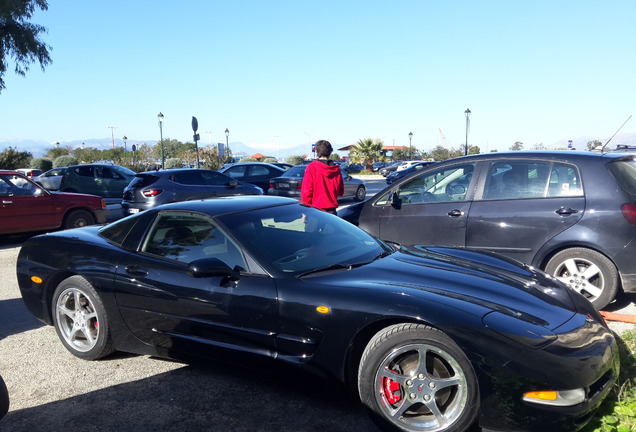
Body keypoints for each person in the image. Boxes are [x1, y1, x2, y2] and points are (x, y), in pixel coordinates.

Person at [301, 140, 344, 214]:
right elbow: (341, 191)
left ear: (317, 152)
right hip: (331, 211)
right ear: (330, 152)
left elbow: (307, 191)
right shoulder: (336, 169)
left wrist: (305, 210)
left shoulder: (312, 167)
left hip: (315, 210)